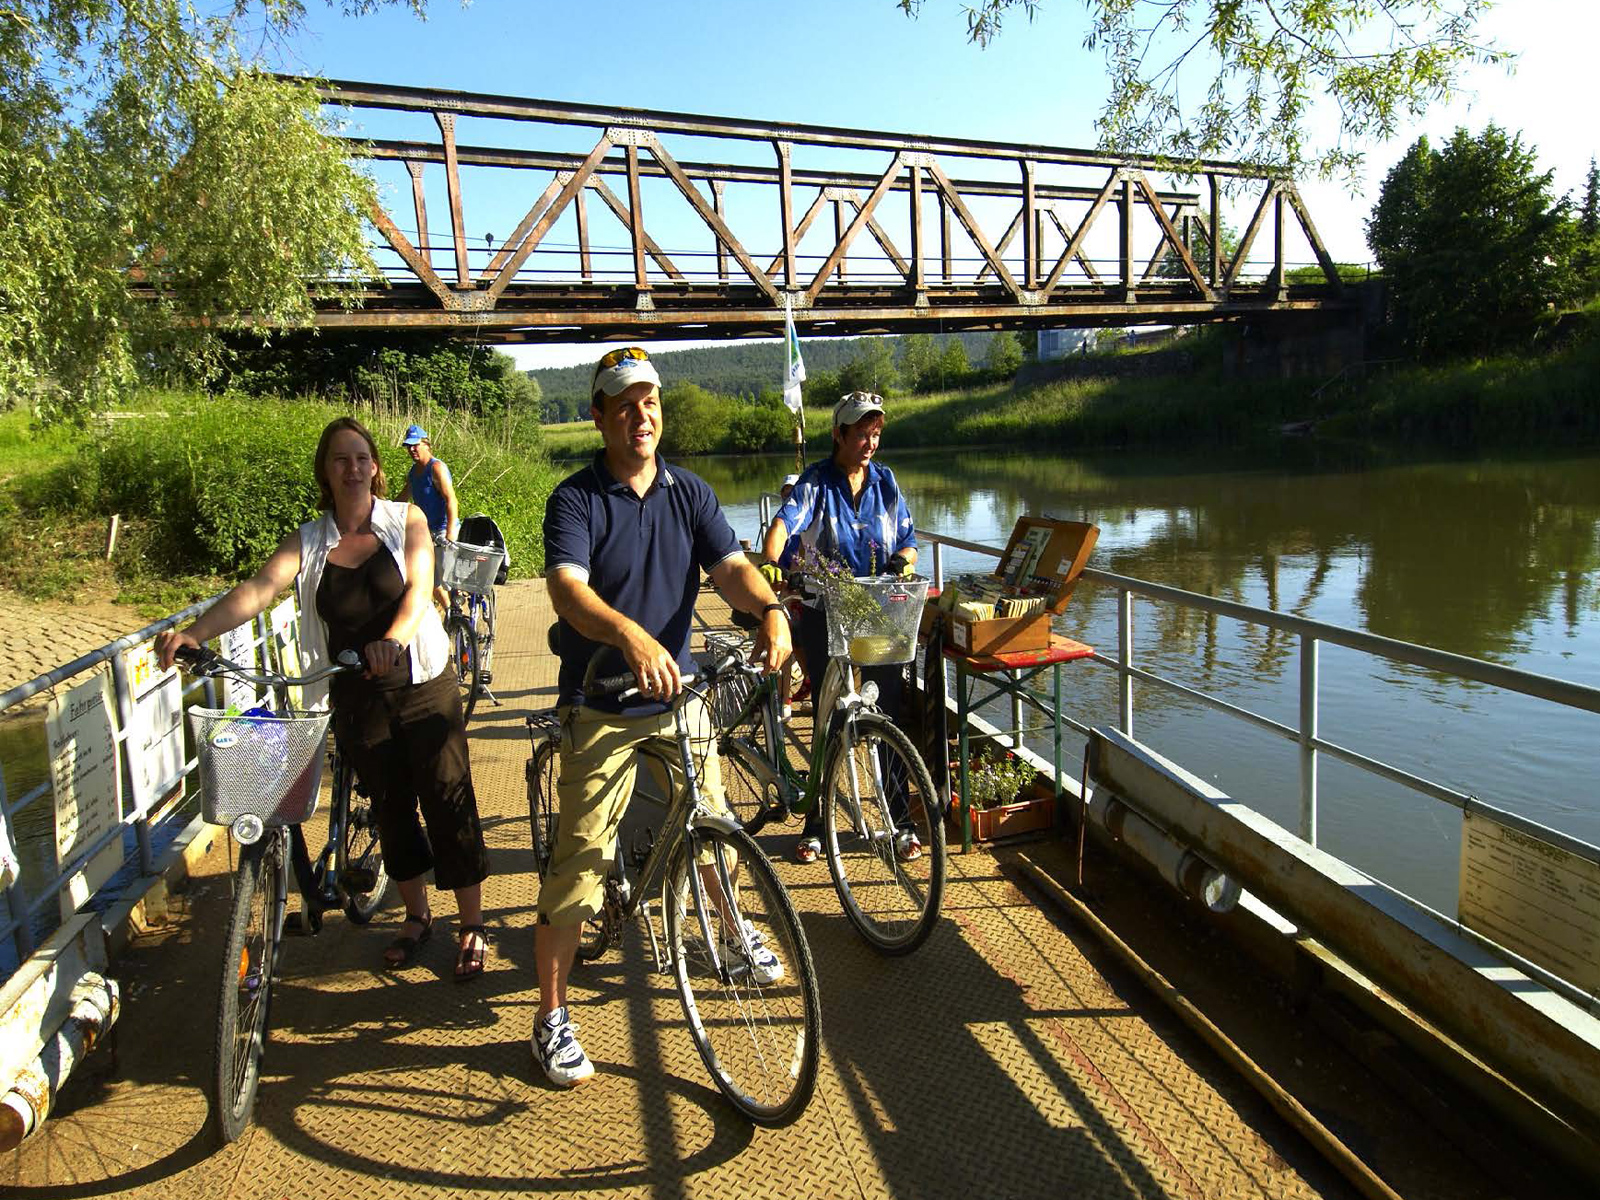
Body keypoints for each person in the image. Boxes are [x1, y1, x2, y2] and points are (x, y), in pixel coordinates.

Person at [534, 345, 792, 1088]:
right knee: (578, 869)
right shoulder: (575, 499)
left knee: (713, 824)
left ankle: (729, 935)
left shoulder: (690, 492)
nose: (638, 415)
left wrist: (769, 610)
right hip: (605, 703)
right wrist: (627, 633)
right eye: (622, 404)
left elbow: (732, 568)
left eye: (648, 402)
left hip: (677, 696)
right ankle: (550, 1018)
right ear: (599, 416)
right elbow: (566, 592)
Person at [156, 417, 491, 980]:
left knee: (445, 794)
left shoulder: (403, 520)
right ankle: (416, 916)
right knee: (390, 807)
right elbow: (259, 590)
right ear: (326, 472)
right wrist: (196, 632)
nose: (353, 468)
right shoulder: (310, 541)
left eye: (362, 457)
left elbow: (416, 590)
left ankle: (472, 925)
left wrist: (393, 640)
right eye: (341, 459)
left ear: (376, 467)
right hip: (353, 691)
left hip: (421, 682)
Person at [761, 391, 919, 865]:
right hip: (821, 608)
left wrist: (901, 561)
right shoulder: (815, 483)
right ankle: (817, 823)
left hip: (874, 609)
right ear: (839, 435)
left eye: (876, 434)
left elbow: (910, 538)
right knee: (829, 720)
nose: (870, 443)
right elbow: (782, 527)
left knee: (886, 716)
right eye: (861, 434)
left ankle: (900, 821)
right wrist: (772, 566)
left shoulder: (886, 482)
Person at [395, 424, 459, 610]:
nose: (412, 449)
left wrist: (450, 533)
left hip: (443, 531)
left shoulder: (436, 467)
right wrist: (382, 507)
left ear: (426, 444)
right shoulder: (414, 472)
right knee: (428, 578)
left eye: (416, 445)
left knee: (448, 580)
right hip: (424, 532)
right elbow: (404, 497)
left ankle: (460, 614)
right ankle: (450, 613)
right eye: (409, 446)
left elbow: (451, 499)